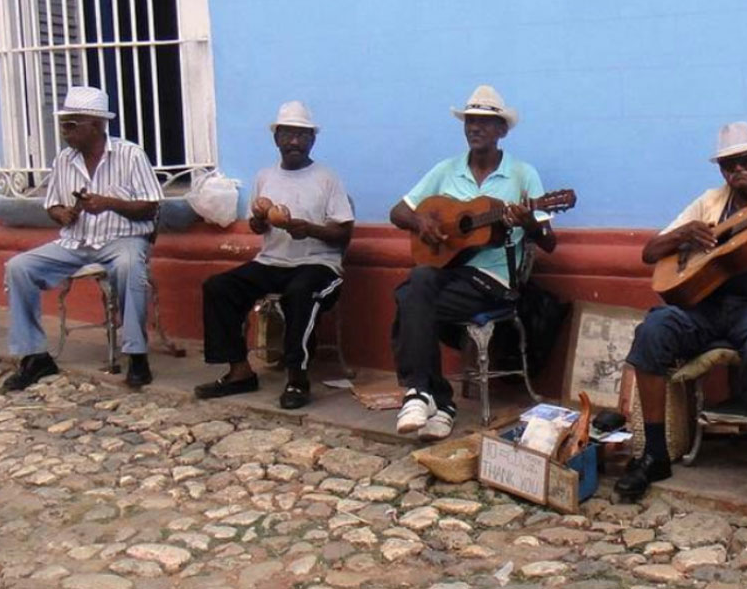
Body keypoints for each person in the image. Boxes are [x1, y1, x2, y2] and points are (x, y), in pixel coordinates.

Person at [615, 121, 747, 519]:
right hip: (707, 309)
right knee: (653, 329)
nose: (738, 170)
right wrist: (684, 234)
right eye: (729, 164)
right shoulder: (709, 203)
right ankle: (654, 454)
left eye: (746, 160)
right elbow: (650, 253)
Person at [389, 85, 557, 441]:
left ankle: (427, 396)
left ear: (502, 131)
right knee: (417, 285)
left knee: (409, 298)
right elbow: (398, 211)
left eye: (485, 122)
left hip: (493, 282)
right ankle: (433, 399)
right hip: (446, 274)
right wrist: (422, 222)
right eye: (470, 121)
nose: (475, 127)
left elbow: (550, 242)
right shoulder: (445, 170)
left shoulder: (523, 175)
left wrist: (529, 223)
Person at [3, 86, 164, 391]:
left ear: (97, 124)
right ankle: (35, 356)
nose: (64, 131)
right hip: (76, 243)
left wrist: (108, 203)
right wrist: (60, 213)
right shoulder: (65, 159)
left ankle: (136, 355)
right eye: (64, 124)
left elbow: (150, 206)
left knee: (130, 268)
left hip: (123, 239)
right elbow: (52, 203)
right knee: (18, 267)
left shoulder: (130, 154)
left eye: (71, 124)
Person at [195, 101, 353, 410]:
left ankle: (297, 377)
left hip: (319, 264)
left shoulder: (327, 178)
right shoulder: (265, 177)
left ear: (312, 140)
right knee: (218, 287)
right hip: (271, 262)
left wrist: (307, 228)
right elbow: (259, 227)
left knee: (300, 293)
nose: (295, 141)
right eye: (288, 134)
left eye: (302, 135)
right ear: (276, 138)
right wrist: (258, 221)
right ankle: (239, 371)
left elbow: (344, 234)